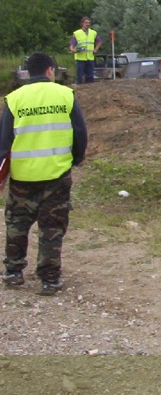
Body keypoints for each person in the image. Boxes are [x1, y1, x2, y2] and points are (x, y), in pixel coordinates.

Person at [0, 52, 87, 295]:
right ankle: (49, 279)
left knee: (17, 223)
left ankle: (13, 271)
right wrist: (76, 158)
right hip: (56, 174)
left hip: (23, 176)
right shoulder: (65, 94)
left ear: (28, 72)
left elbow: (4, 140)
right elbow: (80, 131)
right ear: (51, 70)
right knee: (52, 227)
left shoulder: (14, 99)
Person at [69, 17, 101, 84]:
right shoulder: (77, 33)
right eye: (86, 23)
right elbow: (72, 45)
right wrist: (73, 50)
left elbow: (99, 41)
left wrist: (96, 49)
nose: (88, 24)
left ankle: (90, 90)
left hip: (90, 57)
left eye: (89, 23)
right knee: (79, 76)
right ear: (82, 23)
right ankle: (79, 89)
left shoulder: (93, 33)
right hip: (80, 58)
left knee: (90, 76)